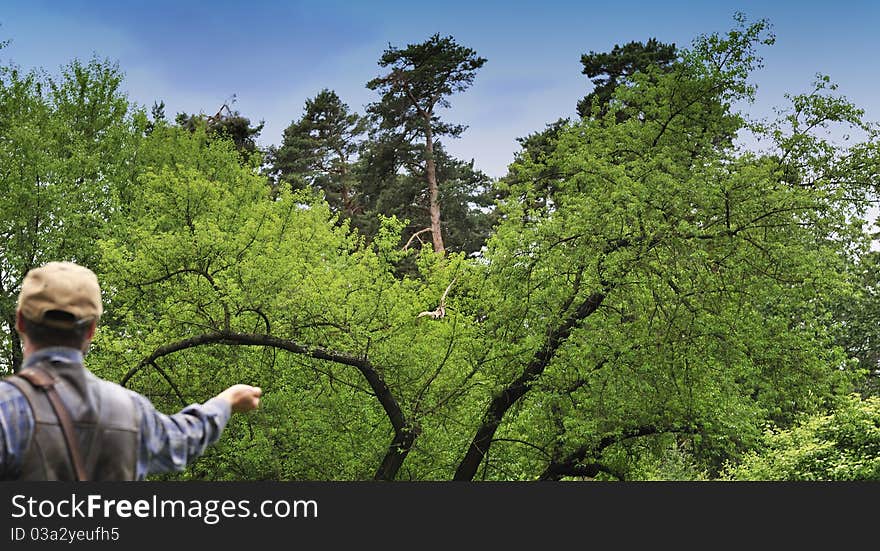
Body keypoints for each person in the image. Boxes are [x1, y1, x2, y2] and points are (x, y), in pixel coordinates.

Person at [0, 261, 262, 480]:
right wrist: (226, 402)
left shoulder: (6, 407)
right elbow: (184, 439)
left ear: (21, 320)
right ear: (91, 330)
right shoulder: (130, 410)